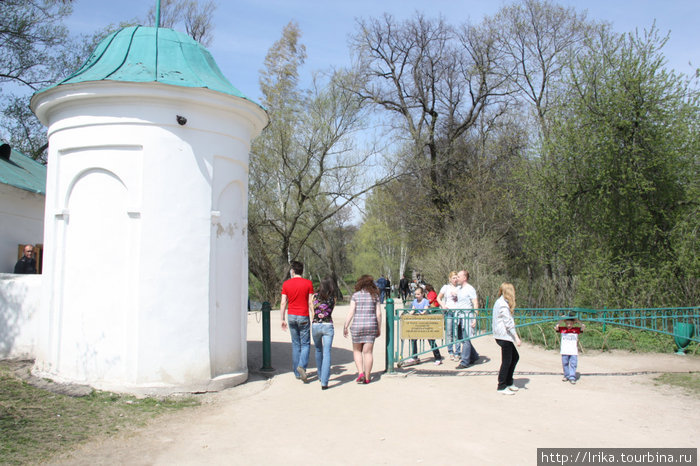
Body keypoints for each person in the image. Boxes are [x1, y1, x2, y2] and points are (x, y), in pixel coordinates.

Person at [280, 261, 314, 382]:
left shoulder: (286, 284)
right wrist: (314, 315)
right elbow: (311, 302)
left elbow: (283, 302)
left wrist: (282, 318)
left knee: (295, 344)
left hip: (291, 316)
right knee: (305, 344)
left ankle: (297, 372)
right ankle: (302, 366)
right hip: (303, 316)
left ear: (293, 271)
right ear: (302, 271)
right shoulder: (308, 283)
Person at [344, 275, 382, 384]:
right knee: (368, 352)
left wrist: (346, 325)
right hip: (371, 326)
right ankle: (367, 376)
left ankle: (360, 372)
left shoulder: (355, 295)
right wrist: (378, 328)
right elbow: (378, 314)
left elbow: (351, 312)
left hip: (357, 326)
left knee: (357, 351)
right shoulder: (375, 296)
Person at [492, 283, 522, 395]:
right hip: (504, 336)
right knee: (507, 361)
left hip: (501, 335)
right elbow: (508, 322)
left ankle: (509, 382)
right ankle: (502, 385)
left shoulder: (499, 302)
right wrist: (516, 337)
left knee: (514, 357)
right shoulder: (503, 305)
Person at [312, 276, 336, 390]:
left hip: (316, 324)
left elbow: (313, 311)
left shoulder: (314, 297)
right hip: (327, 325)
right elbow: (330, 311)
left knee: (318, 349)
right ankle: (324, 382)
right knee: (327, 352)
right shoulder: (333, 298)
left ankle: (320, 375)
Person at [409, 286, 443, 365]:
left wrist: (421, 312)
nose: (417, 296)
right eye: (416, 294)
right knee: (413, 339)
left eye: (418, 294)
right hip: (418, 322)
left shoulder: (425, 301)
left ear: (423, 294)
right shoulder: (414, 301)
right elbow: (412, 310)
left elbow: (425, 310)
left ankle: (438, 358)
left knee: (431, 340)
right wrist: (409, 313)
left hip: (426, 323)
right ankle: (415, 357)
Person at [455, 269, 480, 369]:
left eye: (459, 276)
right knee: (461, 337)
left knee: (466, 338)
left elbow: (475, 303)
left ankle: (465, 361)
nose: (457, 278)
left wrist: (475, 318)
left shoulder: (470, 289)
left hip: (467, 316)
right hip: (460, 316)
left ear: (464, 278)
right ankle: (473, 356)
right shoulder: (459, 289)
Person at [555, 312, 585, 384]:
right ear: (565, 323)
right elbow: (556, 327)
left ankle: (572, 376)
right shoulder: (562, 329)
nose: (569, 325)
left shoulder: (576, 330)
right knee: (565, 363)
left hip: (573, 351)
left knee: (573, 364)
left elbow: (583, 327)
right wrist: (561, 320)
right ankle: (566, 375)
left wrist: (577, 321)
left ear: (573, 324)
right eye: (567, 323)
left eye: (571, 323)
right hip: (565, 350)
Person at [437, 272, 461, 361]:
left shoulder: (460, 288)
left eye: (457, 278)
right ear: (450, 279)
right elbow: (438, 297)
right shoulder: (446, 287)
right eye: (454, 278)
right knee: (449, 332)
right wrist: (443, 305)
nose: (455, 279)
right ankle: (450, 351)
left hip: (458, 311)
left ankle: (457, 352)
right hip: (449, 311)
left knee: (457, 332)